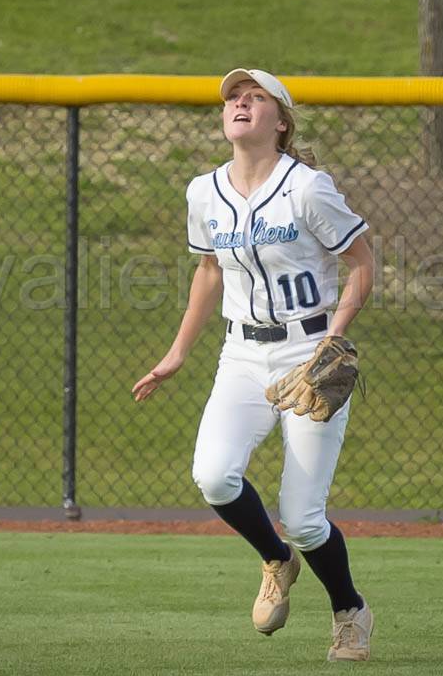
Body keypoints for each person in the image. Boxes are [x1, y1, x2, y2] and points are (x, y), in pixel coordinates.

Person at [132, 68, 376, 662]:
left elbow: (363, 264)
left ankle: (349, 610)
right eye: (232, 98)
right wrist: (176, 353)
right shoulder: (203, 191)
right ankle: (276, 559)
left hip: (307, 351)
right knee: (214, 475)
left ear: (281, 120)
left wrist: (334, 340)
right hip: (241, 352)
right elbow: (210, 271)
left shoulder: (308, 188)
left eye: (255, 96)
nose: (239, 102)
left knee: (304, 516)